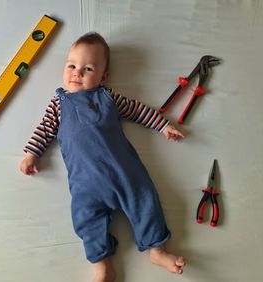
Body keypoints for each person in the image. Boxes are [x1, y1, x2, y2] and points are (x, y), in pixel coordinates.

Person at [19, 32, 186, 282]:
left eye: (87, 68)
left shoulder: (108, 97)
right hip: (86, 184)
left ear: (103, 77)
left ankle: (157, 250)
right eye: (72, 66)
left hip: (126, 174)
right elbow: (44, 129)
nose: (77, 73)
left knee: (146, 202)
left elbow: (138, 111)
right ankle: (102, 266)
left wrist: (163, 125)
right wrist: (32, 153)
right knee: (85, 220)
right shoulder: (58, 103)